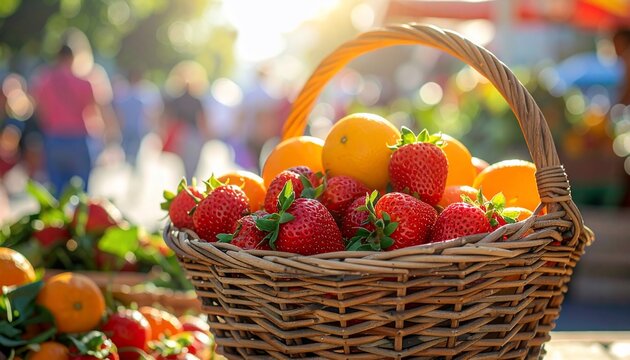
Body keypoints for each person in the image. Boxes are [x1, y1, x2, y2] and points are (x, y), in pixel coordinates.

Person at [31, 37, 98, 195]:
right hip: (78, 139)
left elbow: (39, 109)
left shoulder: (44, 79)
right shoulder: (84, 82)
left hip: (53, 137)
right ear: (74, 57)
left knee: (56, 193)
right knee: (81, 193)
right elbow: (92, 111)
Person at [160, 61, 211, 180]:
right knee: (191, 167)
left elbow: (167, 118)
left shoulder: (175, 99)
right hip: (191, 134)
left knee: (184, 166)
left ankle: (186, 189)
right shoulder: (197, 100)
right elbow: (202, 119)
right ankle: (189, 188)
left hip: (180, 134)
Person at [113, 69, 162, 165]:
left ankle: (129, 164)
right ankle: (131, 165)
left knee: (127, 150)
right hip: (136, 128)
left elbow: (119, 113)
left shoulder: (124, 96)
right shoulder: (141, 98)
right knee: (133, 151)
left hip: (128, 128)